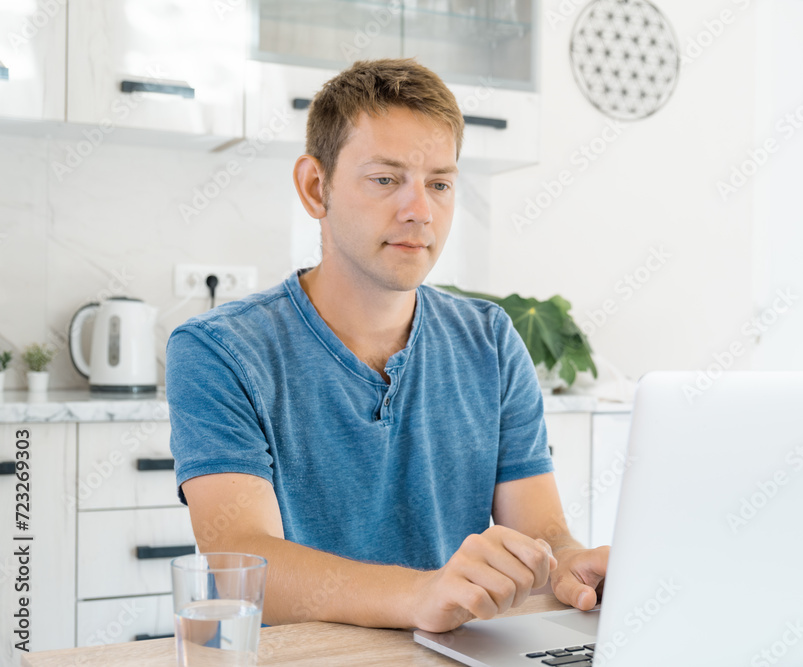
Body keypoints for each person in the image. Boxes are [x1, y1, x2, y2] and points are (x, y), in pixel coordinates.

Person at [166, 58, 609, 633]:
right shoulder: (218, 351)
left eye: (440, 184)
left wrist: (569, 564)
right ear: (315, 187)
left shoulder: (491, 340)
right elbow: (242, 565)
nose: (419, 211)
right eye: (385, 179)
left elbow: (541, 533)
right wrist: (422, 594)